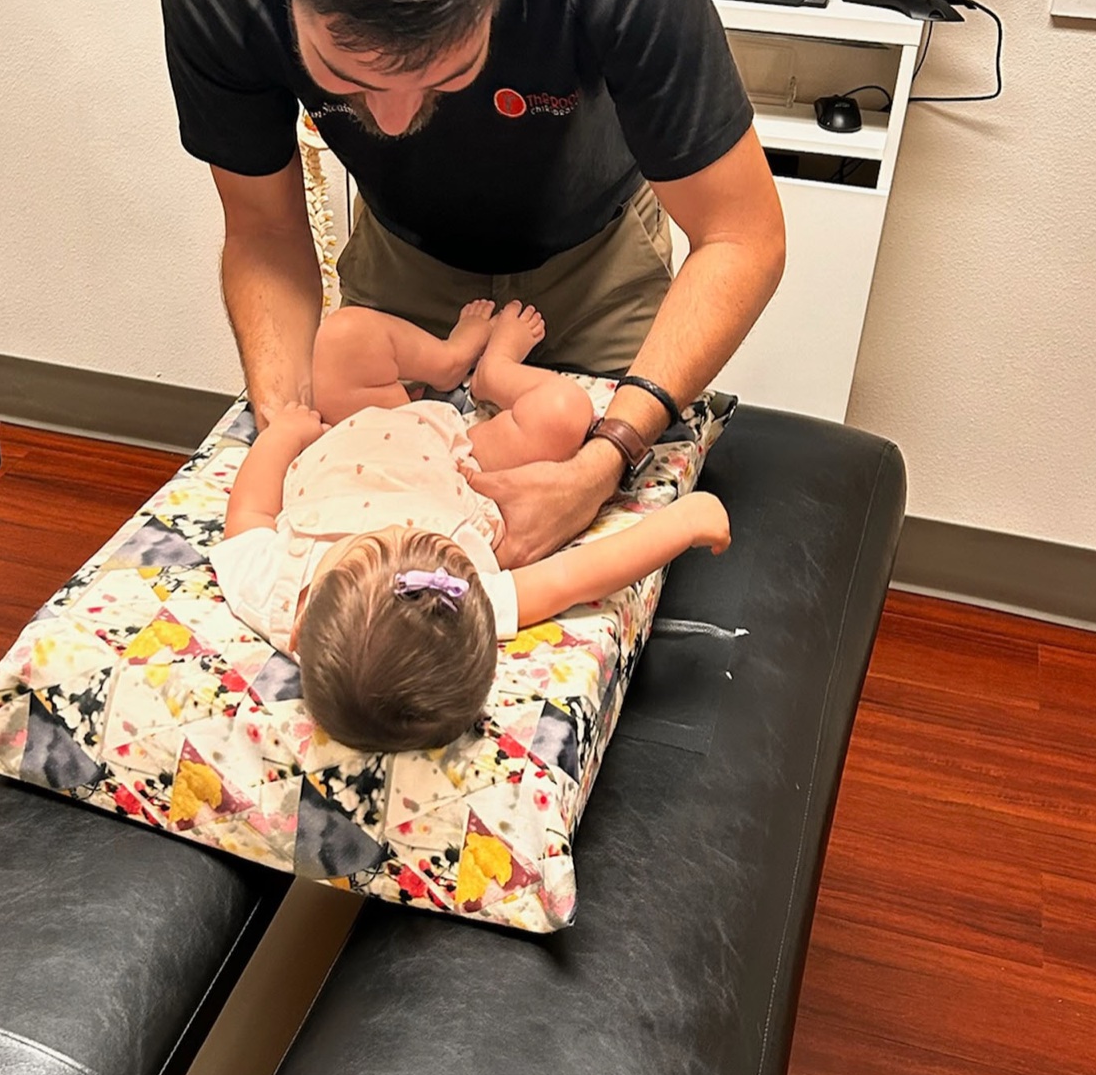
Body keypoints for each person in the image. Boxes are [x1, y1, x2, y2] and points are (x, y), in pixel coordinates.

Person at [161, 0, 786, 569]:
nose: (390, 120)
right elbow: (266, 234)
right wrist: (286, 425)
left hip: (596, 255)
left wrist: (604, 462)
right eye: (344, 79)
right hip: (403, 258)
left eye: (448, 74)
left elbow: (742, 236)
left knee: (588, 540)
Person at [210, 300, 731, 752]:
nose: (403, 526)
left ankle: (450, 359)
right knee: (565, 410)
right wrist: (678, 528)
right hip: (462, 468)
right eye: (430, 547)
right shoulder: (458, 606)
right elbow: (574, 575)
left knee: (344, 334)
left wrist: (281, 437)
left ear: (300, 627)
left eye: (375, 545)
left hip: (351, 424)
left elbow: (250, 512)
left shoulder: (272, 592)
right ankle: (495, 370)